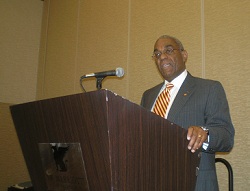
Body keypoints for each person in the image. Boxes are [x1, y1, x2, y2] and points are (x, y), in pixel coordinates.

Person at [140, 35, 235, 191]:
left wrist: (205, 133)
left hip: (194, 184)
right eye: (157, 54)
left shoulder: (209, 89)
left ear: (184, 55)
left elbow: (226, 137)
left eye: (168, 50)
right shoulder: (148, 95)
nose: (162, 56)